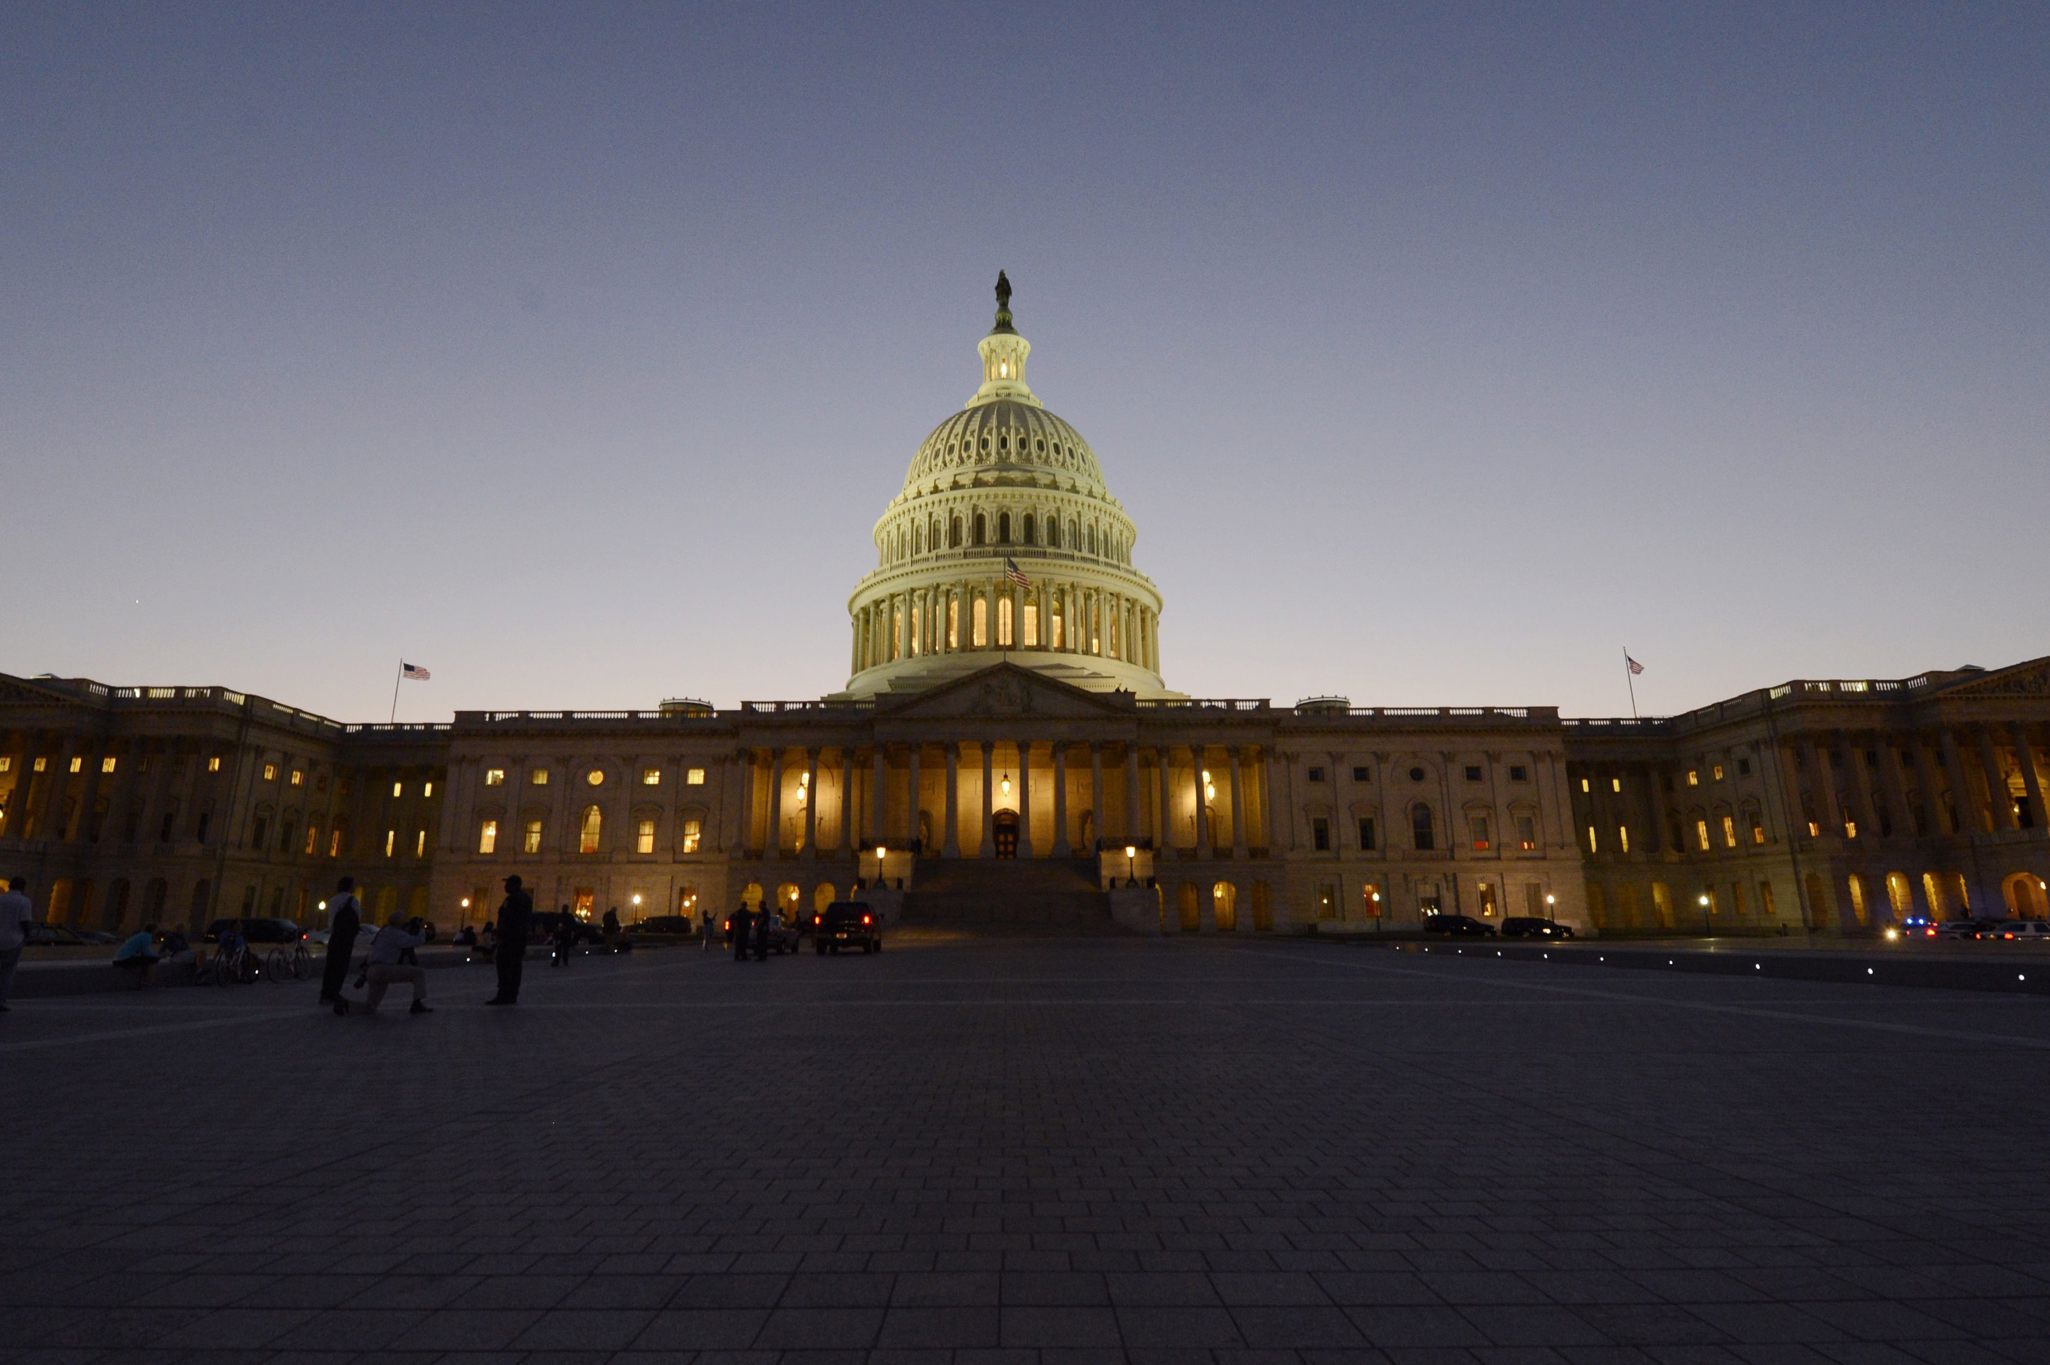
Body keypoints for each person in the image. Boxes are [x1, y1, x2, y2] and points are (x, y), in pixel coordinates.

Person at [335, 914, 432, 1016]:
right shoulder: (396, 934)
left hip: (372, 971)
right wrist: (422, 929)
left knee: (370, 1007)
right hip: (384, 970)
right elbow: (416, 941)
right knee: (419, 973)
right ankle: (417, 1003)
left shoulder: (383, 932)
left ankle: (346, 1005)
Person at [487, 875, 532, 1005]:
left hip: (510, 938)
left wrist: (502, 932)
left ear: (515, 885)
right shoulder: (524, 898)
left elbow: (510, 919)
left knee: (505, 966)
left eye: (508, 884)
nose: (505, 886)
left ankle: (504, 994)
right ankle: (512, 994)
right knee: (514, 967)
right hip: (518, 938)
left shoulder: (514, 899)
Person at [319, 877, 362, 1006]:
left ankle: (325, 993)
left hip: (334, 936)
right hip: (346, 938)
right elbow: (357, 918)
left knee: (330, 966)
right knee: (341, 967)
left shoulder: (333, 900)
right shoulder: (353, 901)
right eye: (353, 885)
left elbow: (331, 920)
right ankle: (334, 993)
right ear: (349, 886)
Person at [0, 876, 33, 1013]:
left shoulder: (1, 899)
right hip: (13, 941)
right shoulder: (24, 902)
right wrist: (27, 936)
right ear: (23, 887)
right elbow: (25, 921)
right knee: (6, 973)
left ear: (10, 886)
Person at [112, 922, 160, 987]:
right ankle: (149, 982)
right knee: (153, 960)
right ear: (153, 930)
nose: (157, 932)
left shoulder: (141, 935)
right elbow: (146, 952)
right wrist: (159, 956)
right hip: (124, 959)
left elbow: (144, 952)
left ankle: (145, 980)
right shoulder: (147, 936)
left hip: (119, 959)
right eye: (156, 930)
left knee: (148, 960)